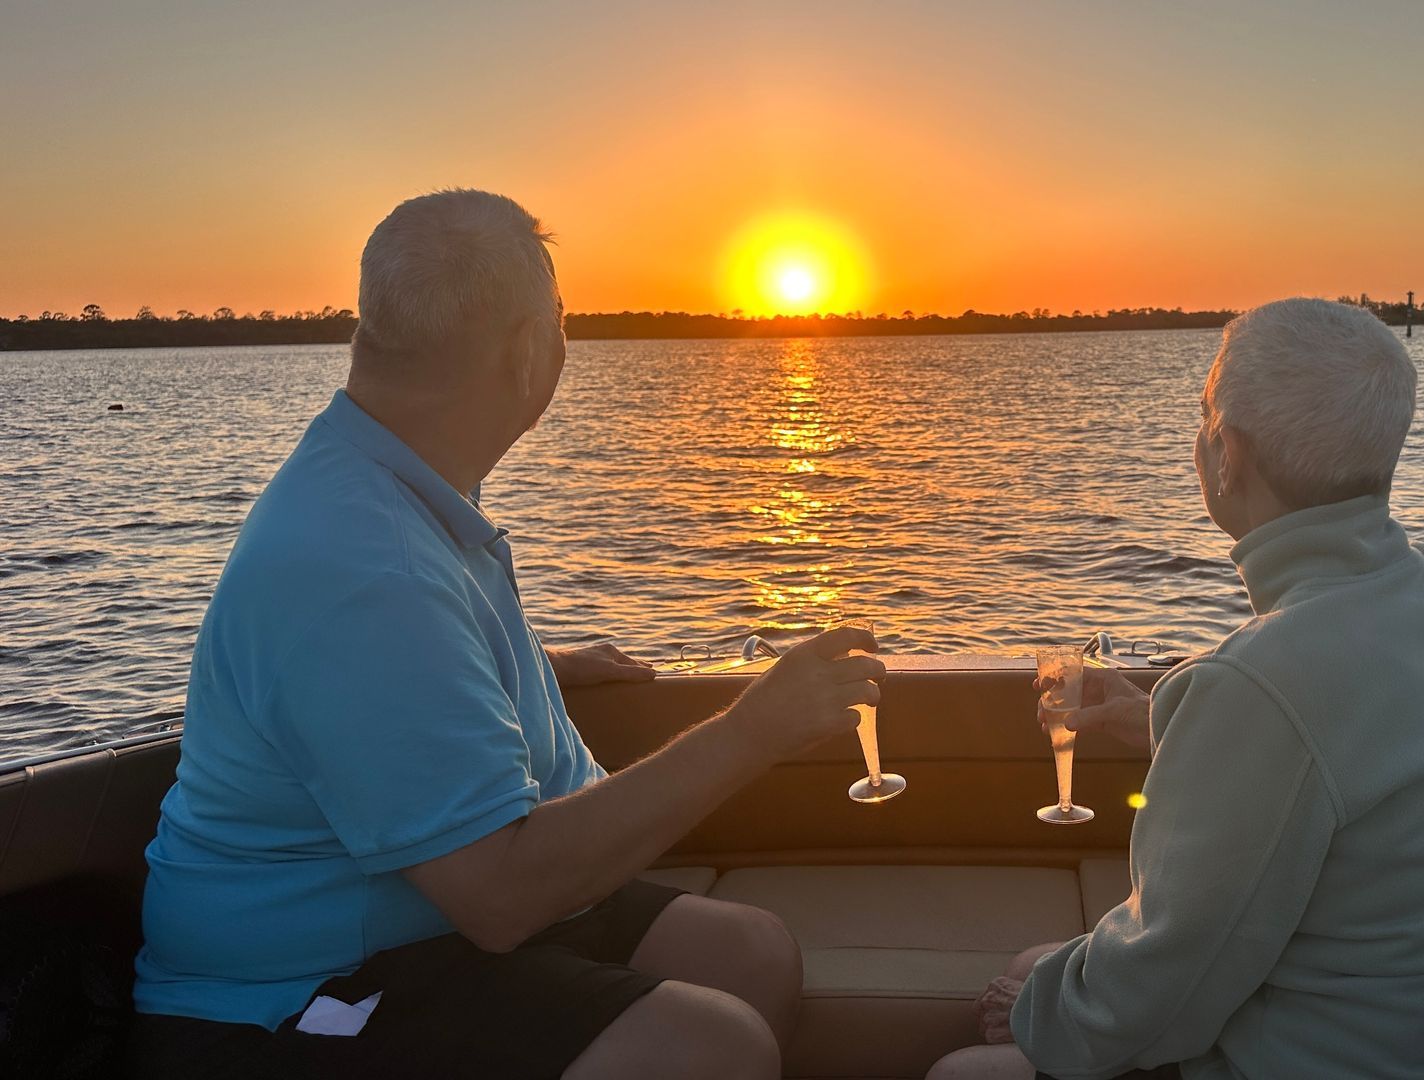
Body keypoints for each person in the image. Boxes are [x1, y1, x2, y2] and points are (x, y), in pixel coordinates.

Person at [131, 190, 884, 1080]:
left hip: (420, 918)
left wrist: (542, 669)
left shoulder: (390, 476)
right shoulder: (364, 567)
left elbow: (394, 682)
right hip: (287, 999)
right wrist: (755, 728)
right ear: (530, 351)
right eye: (561, 322)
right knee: (709, 1045)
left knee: (750, 953)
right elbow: (500, 895)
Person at [929, 299, 1424, 1079]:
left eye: (1202, 415)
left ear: (1227, 454)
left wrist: (1030, 1014)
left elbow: (1158, 996)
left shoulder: (1263, 683)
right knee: (1041, 963)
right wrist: (1160, 721)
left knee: (961, 1069)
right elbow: (1347, 770)